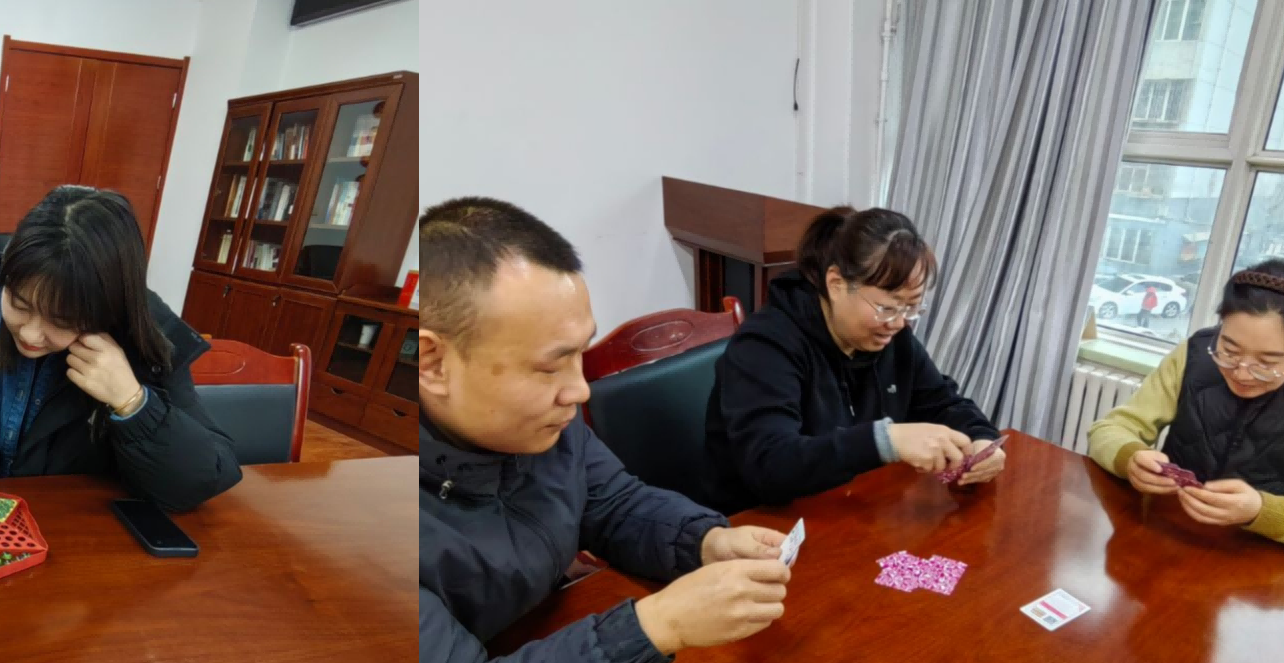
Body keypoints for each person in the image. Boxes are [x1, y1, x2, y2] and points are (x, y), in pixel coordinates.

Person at [422, 197, 794, 662]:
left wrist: (705, 541)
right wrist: (659, 625)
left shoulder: (538, 426)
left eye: (580, 354)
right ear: (433, 363)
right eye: (549, 367)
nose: (579, 391)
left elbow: (613, 503)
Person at [0, 186, 239, 511]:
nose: (31, 333)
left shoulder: (144, 349)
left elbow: (198, 481)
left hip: (72, 543)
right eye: (19, 304)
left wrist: (132, 403)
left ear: (106, 310)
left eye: (61, 321)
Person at [699, 206, 1004, 513]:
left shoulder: (892, 337)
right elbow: (770, 466)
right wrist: (885, 442)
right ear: (836, 284)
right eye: (887, 308)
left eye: (911, 308)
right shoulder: (765, 345)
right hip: (759, 523)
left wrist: (982, 439)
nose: (899, 323)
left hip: (855, 506)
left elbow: (942, 402)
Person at [1084, 259, 1284, 556]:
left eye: (1267, 362)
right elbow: (1110, 430)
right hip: (1171, 537)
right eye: (1229, 349)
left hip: (1268, 564)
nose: (1241, 372)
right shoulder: (1195, 353)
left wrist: (1262, 511)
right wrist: (1130, 458)